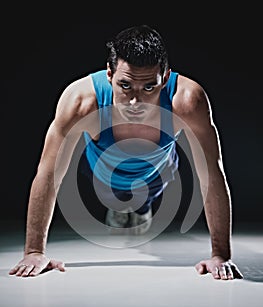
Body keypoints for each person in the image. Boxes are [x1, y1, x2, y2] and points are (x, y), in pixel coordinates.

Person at [9, 24, 243, 280]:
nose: (135, 102)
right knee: (114, 194)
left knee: (144, 197)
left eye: (149, 88)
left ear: (165, 79)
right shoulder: (81, 101)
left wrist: (221, 254)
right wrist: (33, 251)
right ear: (109, 74)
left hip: (156, 174)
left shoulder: (187, 100)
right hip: (102, 173)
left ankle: (141, 207)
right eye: (125, 86)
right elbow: (48, 172)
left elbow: (211, 171)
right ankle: (122, 208)